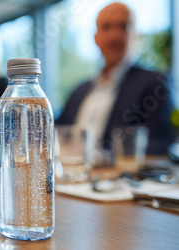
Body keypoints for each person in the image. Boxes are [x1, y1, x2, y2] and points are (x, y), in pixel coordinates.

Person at [56, 2, 173, 155]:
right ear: (96, 38)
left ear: (135, 34)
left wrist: (107, 156)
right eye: (106, 27)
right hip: (71, 172)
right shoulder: (79, 90)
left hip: (117, 175)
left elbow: (161, 143)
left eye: (123, 26)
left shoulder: (154, 84)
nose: (114, 35)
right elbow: (57, 131)